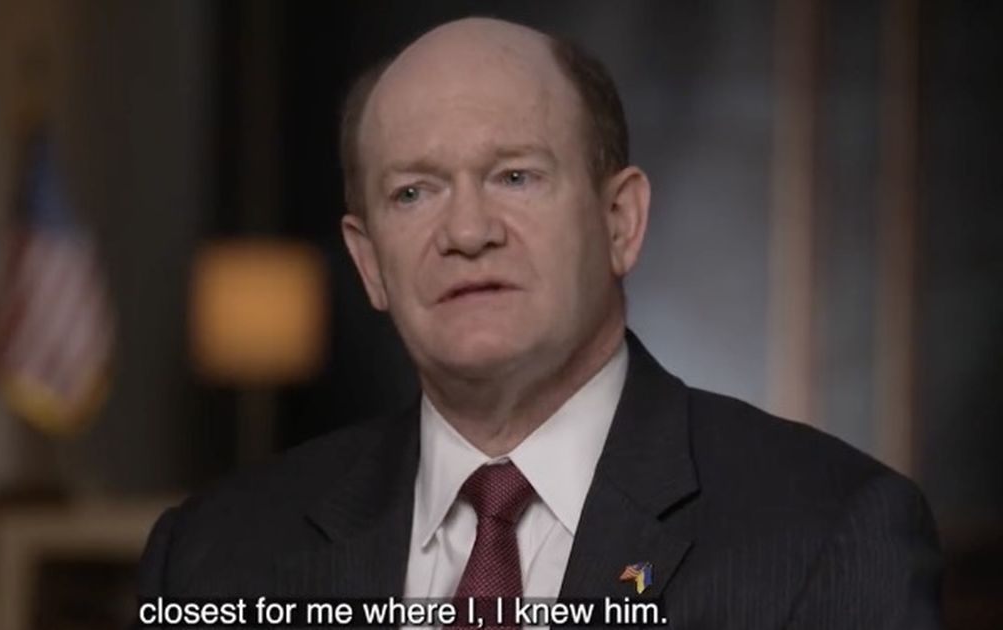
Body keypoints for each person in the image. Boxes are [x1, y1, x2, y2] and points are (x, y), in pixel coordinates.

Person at [136, 17, 942, 628]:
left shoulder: (828, 534)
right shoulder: (213, 557)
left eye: (515, 176)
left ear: (620, 221)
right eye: (413, 192)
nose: (466, 231)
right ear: (370, 261)